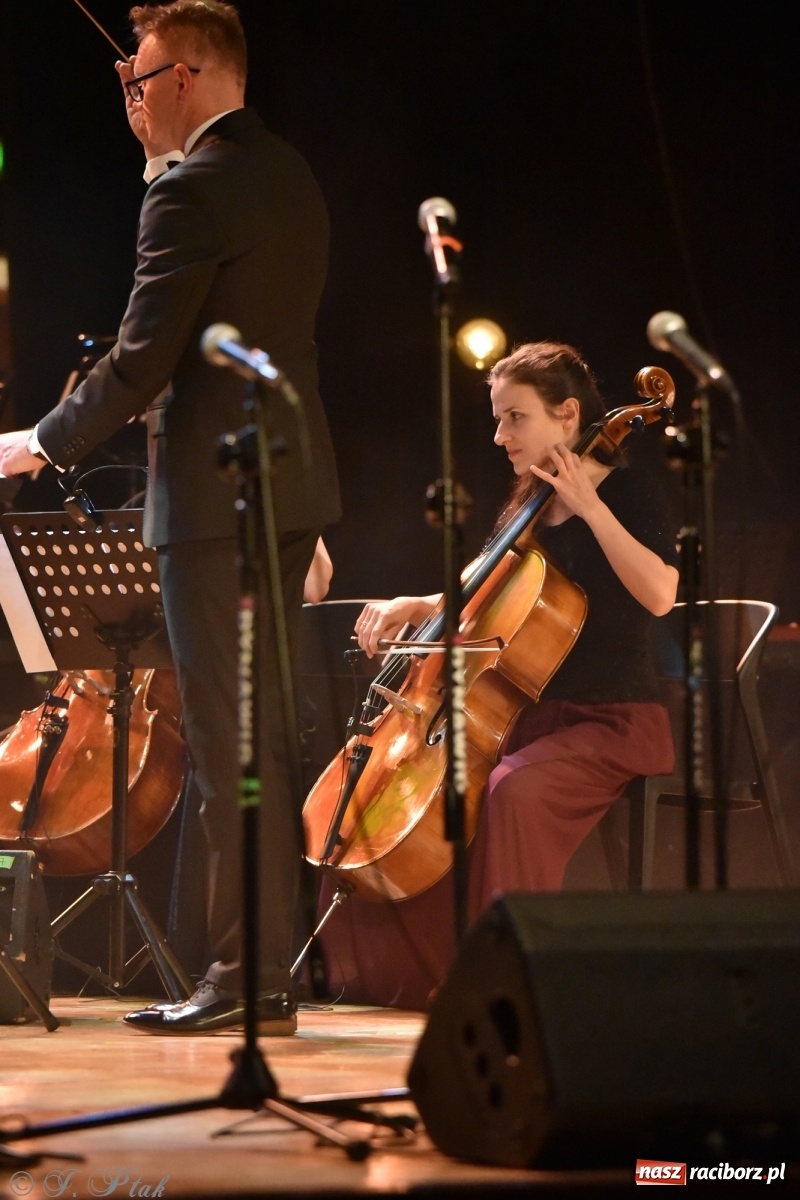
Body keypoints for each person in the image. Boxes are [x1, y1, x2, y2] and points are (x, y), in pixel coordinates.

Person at [0, 0, 340, 1034]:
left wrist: (39, 442)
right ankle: (253, 974)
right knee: (262, 737)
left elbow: (144, 356)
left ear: (183, 77)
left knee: (230, 738)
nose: (131, 103)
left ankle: (240, 980)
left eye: (138, 84)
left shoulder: (188, 194)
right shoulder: (289, 173)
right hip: (289, 489)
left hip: (207, 505)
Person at [318, 340, 679, 1010]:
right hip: (528, 718)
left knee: (510, 792)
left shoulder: (630, 490)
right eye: (497, 418)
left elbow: (660, 593)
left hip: (612, 720)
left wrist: (592, 508)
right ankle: (395, 976)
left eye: (515, 417)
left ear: (568, 414)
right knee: (415, 800)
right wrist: (422, 603)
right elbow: (485, 586)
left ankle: (505, 988)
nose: (498, 434)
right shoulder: (530, 500)